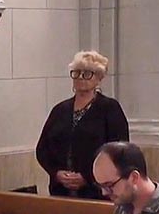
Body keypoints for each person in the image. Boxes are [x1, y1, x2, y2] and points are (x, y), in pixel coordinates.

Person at [36, 51, 129, 201]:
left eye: (87, 74)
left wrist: (88, 176)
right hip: (61, 190)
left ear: (98, 78)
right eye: (76, 73)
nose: (80, 77)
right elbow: (42, 149)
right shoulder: (60, 110)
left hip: (97, 192)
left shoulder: (109, 108)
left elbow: (119, 151)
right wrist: (56, 173)